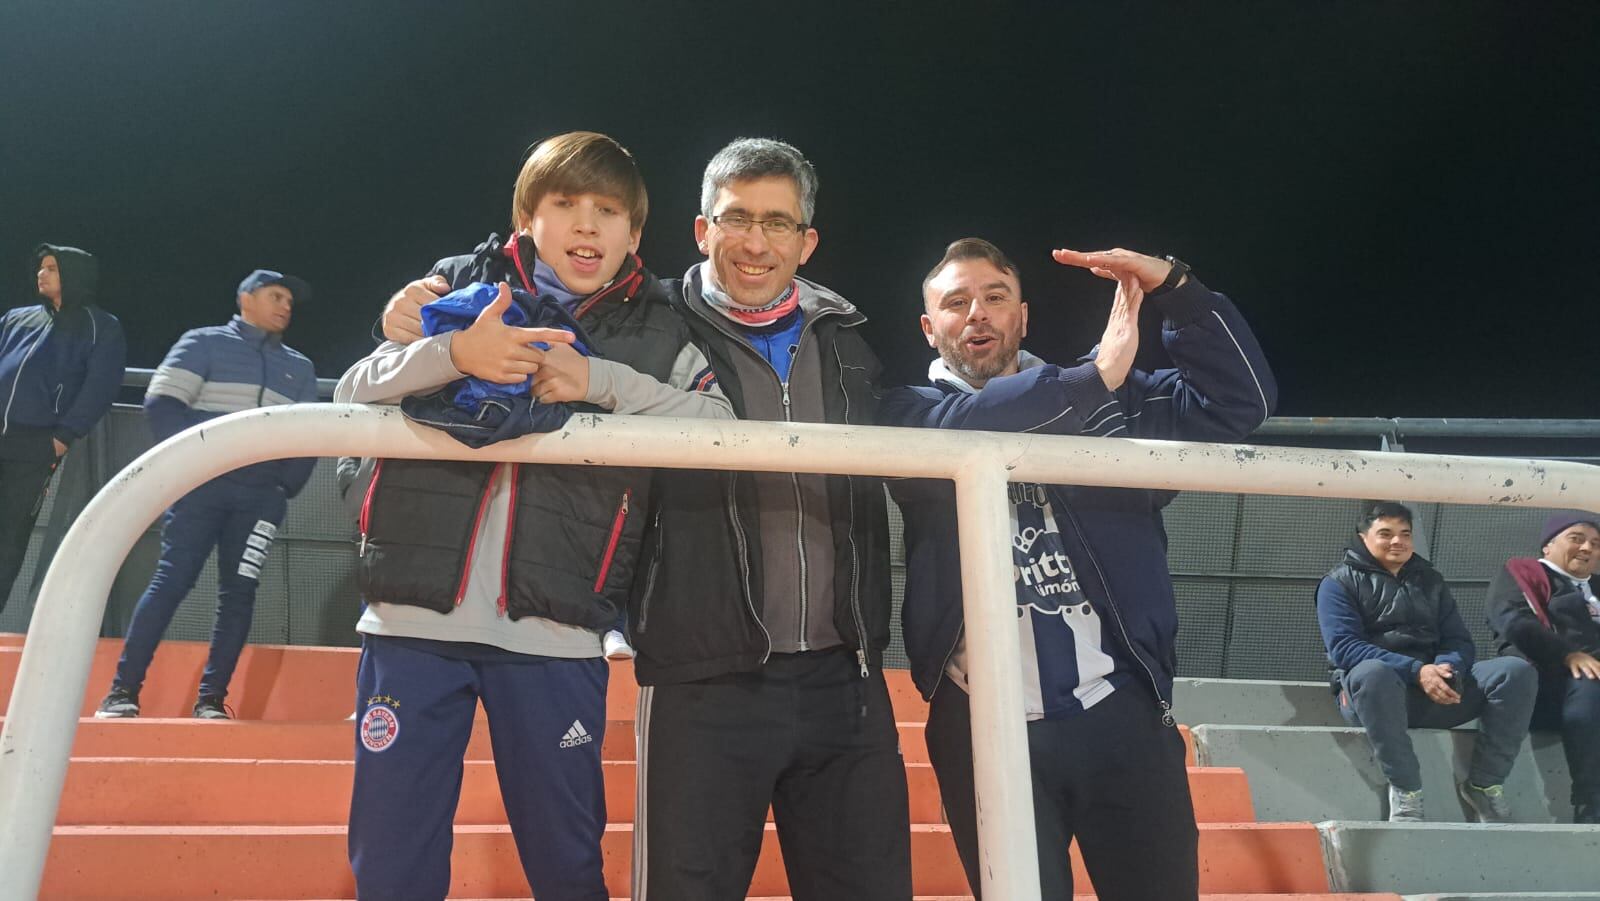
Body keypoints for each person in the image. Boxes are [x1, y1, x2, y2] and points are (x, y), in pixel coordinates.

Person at [353, 131, 732, 901]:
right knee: (392, 864)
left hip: (558, 631)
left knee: (566, 865)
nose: (587, 225)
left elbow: (719, 422)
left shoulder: (662, 325)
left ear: (635, 232)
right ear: (527, 217)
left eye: (608, 209)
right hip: (410, 623)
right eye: (565, 205)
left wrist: (594, 377)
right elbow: (355, 387)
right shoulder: (455, 287)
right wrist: (456, 353)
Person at [883, 238, 1275, 900]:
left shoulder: (1117, 394)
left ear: (1024, 316)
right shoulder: (905, 412)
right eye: (955, 302)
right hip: (981, 722)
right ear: (929, 326)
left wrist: (1179, 288)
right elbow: (977, 423)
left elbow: (1241, 403)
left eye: (995, 297)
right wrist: (1092, 379)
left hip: (1116, 709)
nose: (976, 312)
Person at [621, 138, 912, 901]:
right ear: (701, 230)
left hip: (845, 680)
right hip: (705, 680)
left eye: (778, 223)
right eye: (737, 219)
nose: (756, 242)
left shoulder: (850, 344)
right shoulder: (649, 329)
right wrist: (437, 291)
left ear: (807, 240)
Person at [95, 269, 315, 719]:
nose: (285, 306)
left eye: (290, 300)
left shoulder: (301, 366)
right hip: (199, 490)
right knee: (171, 582)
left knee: (239, 594)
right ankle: (122, 693)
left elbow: (309, 437)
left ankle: (212, 701)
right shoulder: (203, 342)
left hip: (259, 501)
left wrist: (282, 487)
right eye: (275, 295)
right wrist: (193, 466)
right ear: (244, 299)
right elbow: (161, 403)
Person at [1317, 501, 1537, 822]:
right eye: (1386, 533)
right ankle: (1407, 791)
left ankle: (1485, 785)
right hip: (1376, 695)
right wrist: (1417, 671)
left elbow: (1459, 640)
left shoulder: (1430, 580)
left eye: (1405, 534)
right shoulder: (1337, 583)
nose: (1398, 541)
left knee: (1515, 671)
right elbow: (1345, 649)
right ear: (1363, 537)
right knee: (1372, 673)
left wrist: (1448, 668)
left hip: (1436, 690)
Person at [0, 244, 124, 613]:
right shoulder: (16, 318)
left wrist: (62, 437)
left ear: (74, 274)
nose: (42, 273)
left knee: (9, 536)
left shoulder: (100, 327)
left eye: (52, 268)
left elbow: (101, 386)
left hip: (35, 445)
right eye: (41, 267)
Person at [1486, 512, 1600, 823]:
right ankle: (1591, 804)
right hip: (1546, 684)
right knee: (1591, 683)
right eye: (1576, 539)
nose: (1587, 548)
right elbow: (1514, 623)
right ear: (1548, 546)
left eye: (1595, 543)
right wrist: (1567, 655)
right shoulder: (1522, 574)